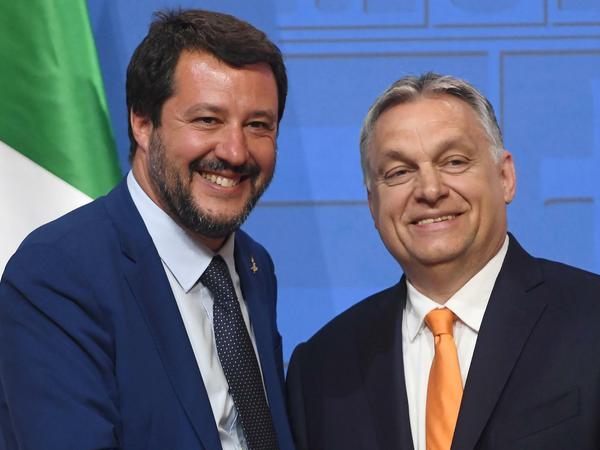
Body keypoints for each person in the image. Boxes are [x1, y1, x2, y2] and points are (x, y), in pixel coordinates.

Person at [0, 9, 294, 450]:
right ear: (142, 124)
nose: (235, 152)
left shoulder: (255, 266)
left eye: (258, 125)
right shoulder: (57, 273)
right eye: (207, 120)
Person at [286, 72, 600, 450]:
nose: (430, 190)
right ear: (373, 204)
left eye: (454, 162)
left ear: (505, 177)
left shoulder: (590, 317)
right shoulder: (320, 369)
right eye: (399, 172)